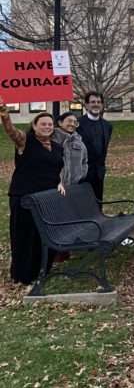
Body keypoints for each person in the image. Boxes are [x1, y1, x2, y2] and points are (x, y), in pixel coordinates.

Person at [1, 102, 64, 285]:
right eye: (43, 124)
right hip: (25, 197)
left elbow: (58, 170)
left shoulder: (57, 147)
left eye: (50, 124)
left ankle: (42, 269)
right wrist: (5, 117)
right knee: (25, 235)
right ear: (34, 126)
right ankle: (24, 274)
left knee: (43, 234)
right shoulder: (26, 141)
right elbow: (12, 132)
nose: (47, 127)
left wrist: (61, 182)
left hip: (47, 197)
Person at [77, 90, 113, 200]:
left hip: (99, 173)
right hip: (81, 173)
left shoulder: (107, 126)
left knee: (98, 204)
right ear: (86, 105)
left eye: (98, 102)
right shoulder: (77, 124)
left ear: (102, 105)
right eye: (92, 102)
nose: (96, 104)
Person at [53, 112, 88, 186]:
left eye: (75, 122)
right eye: (69, 121)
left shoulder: (79, 143)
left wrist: (80, 176)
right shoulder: (51, 139)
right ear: (60, 122)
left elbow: (84, 162)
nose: (72, 124)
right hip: (53, 187)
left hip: (73, 186)